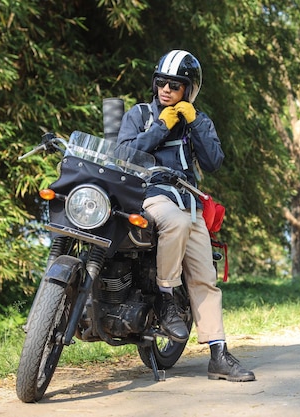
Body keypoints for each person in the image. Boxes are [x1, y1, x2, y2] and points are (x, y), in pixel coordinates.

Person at [117, 50, 255, 382]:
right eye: (161, 83)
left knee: (205, 277)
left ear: (188, 90)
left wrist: (194, 121)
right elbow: (122, 156)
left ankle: (219, 355)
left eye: (175, 86)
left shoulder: (197, 121)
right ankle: (165, 299)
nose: (166, 90)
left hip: (189, 203)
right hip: (150, 196)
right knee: (174, 221)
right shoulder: (139, 115)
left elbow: (213, 162)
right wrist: (160, 128)